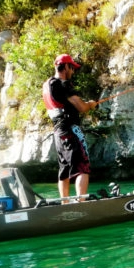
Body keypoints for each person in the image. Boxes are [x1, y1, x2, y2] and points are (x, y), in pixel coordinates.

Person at [42, 54, 97, 200]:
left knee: (64, 168)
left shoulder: (46, 85)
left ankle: (64, 203)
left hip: (58, 131)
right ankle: (81, 202)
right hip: (70, 129)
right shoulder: (63, 84)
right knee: (83, 166)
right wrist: (91, 105)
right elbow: (81, 107)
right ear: (65, 67)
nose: (73, 71)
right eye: (71, 67)